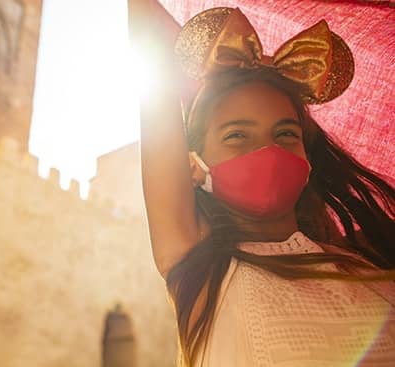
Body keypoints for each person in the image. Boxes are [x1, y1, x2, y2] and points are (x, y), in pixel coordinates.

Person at [128, 2, 395, 366]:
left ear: (307, 158)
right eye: (237, 134)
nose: (268, 149)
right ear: (193, 167)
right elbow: (152, 68)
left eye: (286, 133)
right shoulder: (201, 268)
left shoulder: (368, 264)